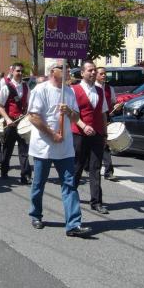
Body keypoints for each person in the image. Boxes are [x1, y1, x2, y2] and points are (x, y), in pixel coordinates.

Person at [28, 62, 92, 237]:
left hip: (64, 147)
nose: (68, 71)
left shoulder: (69, 91)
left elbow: (76, 117)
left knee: (69, 184)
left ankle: (73, 224)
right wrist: (52, 134)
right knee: (39, 183)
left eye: (69, 69)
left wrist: (69, 111)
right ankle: (36, 214)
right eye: (63, 68)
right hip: (44, 146)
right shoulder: (41, 89)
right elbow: (33, 117)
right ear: (52, 71)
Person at [71, 60, 109, 214]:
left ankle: (96, 202)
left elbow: (103, 113)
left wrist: (104, 133)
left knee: (95, 167)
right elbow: (72, 114)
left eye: (94, 70)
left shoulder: (100, 90)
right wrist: (83, 126)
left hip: (97, 134)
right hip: (79, 134)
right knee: (77, 166)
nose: (93, 73)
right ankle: (70, 196)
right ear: (82, 73)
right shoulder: (74, 90)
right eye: (90, 70)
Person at [0, 62, 32, 184]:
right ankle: (4, 170)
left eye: (22, 71)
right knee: (8, 149)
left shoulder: (26, 87)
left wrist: (27, 114)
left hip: (22, 123)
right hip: (10, 122)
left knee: (24, 150)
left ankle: (25, 175)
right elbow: (0, 106)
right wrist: (7, 119)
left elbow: (29, 104)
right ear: (12, 72)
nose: (20, 73)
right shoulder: (6, 87)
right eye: (18, 71)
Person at [94, 67, 123, 181]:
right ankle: (87, 166)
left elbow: (113, 103)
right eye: (101, 74)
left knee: (106, 145)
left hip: (106, 118)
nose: (104, 75)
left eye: (105, 73)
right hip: (93, 119)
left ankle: (108, 172)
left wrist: (117, 107)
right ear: (96, 75)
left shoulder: (109, 88)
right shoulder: (92, 87)